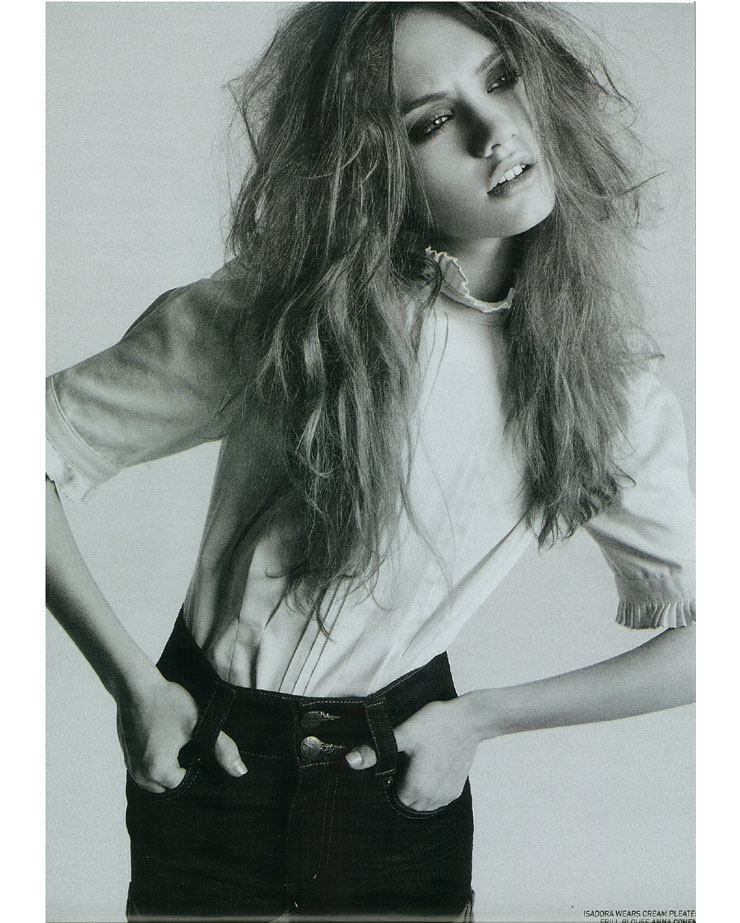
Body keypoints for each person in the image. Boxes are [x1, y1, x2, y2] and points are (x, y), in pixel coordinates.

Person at [46, 3, 695, 922]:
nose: (494, 133)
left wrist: (482, 717)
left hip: (399, 782)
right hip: (209, 763)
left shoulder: (606, 386)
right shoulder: (283, 312)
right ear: (368, 165)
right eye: (431, 122)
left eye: (501, 78)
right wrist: (134, 686)